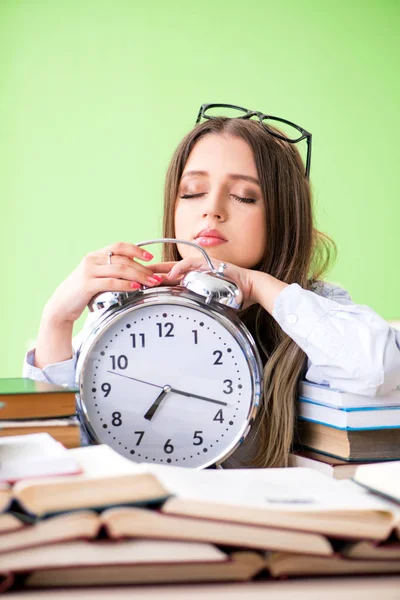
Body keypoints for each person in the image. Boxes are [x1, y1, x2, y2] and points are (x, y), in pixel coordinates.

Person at [23, 103, 400, 468]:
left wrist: (257, 285)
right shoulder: (133, 309)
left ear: (283, 215)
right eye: (192, 192)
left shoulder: (309, 307)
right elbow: (65, 447)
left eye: (244, 196)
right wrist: (56, 319)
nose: (212, 209)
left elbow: (377, 371)